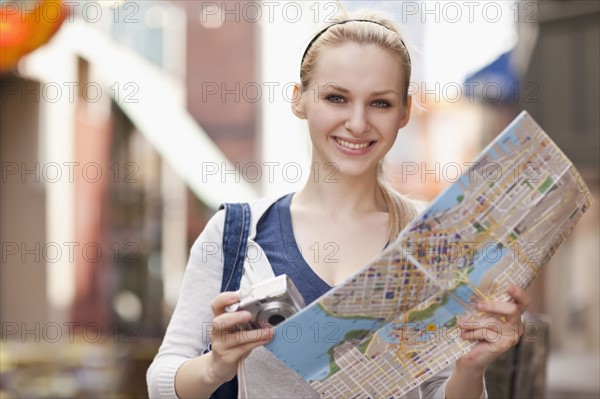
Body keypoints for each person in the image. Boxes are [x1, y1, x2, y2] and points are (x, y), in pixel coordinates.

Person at [147, 9, 529, 399]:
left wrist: (470, 366)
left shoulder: (431, 241)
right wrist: (216, 365)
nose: (358, 123)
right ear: (299, 100)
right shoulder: (237, 235)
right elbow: (161, 381)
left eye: (380, 103)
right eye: (336, 98)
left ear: (404, 112)